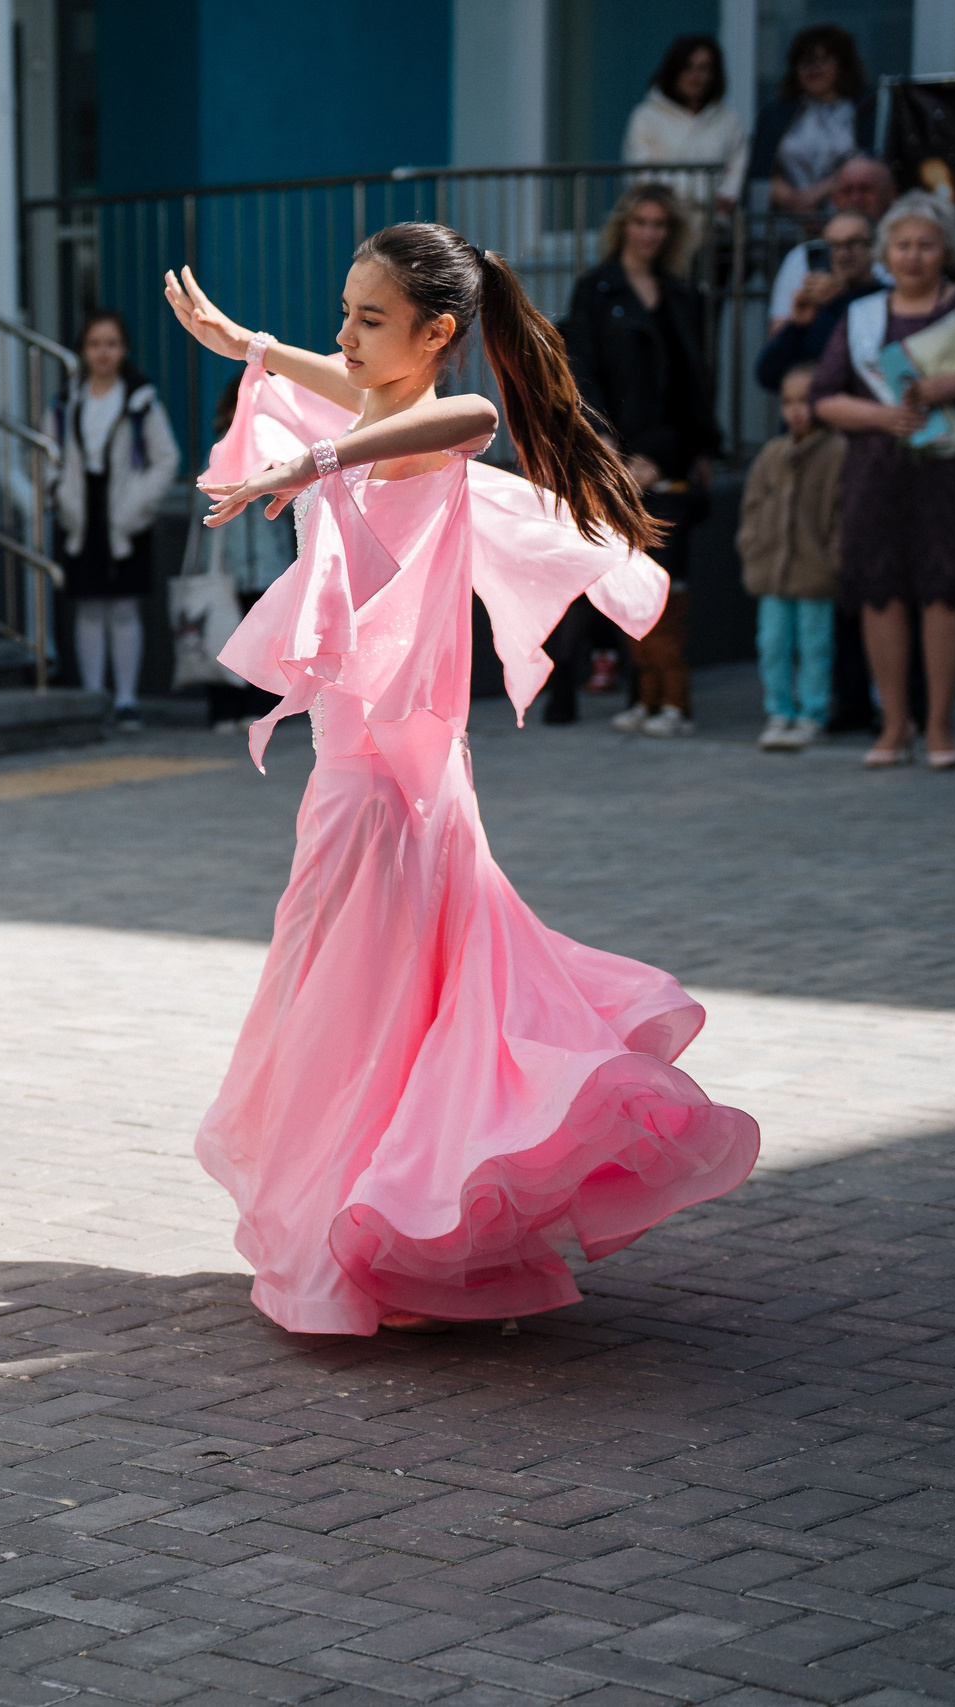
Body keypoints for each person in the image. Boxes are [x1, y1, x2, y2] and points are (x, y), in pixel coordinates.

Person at [163, 227, 757, 1338]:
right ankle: (379, 1213)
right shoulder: (372, 411)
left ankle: (363, 1224)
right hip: (376, 774)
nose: (344, 335)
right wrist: (249, 345)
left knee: (355, 998)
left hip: (392, 787)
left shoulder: (437, 429)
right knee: (357, 998)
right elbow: (347, 386)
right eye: (343, 312)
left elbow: (466, 419)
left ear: (437, 333)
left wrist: (310, 461)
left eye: (368, 319)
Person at [810, 192, 955, 771]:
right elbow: (823, 399)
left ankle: (940, 728)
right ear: (885, 254)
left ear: (946, 250)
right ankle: (894, 728)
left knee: (945, 592)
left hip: (954, 472)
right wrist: (879, 416)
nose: (914, 256)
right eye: (903, 245)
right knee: (881, 592)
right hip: (877, 471)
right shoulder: (862, 317)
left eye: (926, 244)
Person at [560, 182, 721, 737]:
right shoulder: (595, 288)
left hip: (669, 454)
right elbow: (579, 374)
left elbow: (696, 386)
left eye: (661, 224)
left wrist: (671, 453)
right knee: (623, 574)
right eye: (641, 222)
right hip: (612, 455)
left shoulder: (684, 295)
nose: (650, 233)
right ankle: (640, 694)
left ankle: (671, 700)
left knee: (669, 576)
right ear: (623, 225)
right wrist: (604, 447)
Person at [44, 310, 179, 729]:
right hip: (81, 513)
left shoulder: (140, 399)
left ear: (124, 350)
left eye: (112, 344)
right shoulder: (67, 400)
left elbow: (166, 458)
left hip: (124, 514)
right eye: (95, 344)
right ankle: (91, 697)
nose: (103, 352)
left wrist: (139, 504)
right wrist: (57, 493)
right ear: (83, 351)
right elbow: (46, 455)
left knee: (123, 608)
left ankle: (125, 700)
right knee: (87, 607)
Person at [737, 365, 845, 750]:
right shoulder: (772, 454)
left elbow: (841, 513)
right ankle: (779, 711)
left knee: (816, 645)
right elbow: (752, 508)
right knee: (772, 642)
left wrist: (834, 560)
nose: (796, 410)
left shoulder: (837, 452)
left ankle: (812, 714)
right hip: (772, 572)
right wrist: (752, 547)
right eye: (788, 402)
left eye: (805, 400)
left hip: (815, 573)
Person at [195, 386, 296, 729]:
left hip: (269, 564)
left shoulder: (279, 448)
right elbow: (202, 501)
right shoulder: (219, 451)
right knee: (224, 635)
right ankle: (224, 707)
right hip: (226, 565)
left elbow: (297, 502)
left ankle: (260, 706)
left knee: (265, 638)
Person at [747, 24, 874, 217]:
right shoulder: (776, 112)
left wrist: (814, 195)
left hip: (847, 216)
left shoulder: (865, 108)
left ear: (842, 63)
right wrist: (792, 199)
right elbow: (761, 170)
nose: (812, 69)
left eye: (821, 60)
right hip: (787, 222)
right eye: (804, 62)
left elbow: (869, 161)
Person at [766, 158, 895, 331]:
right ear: (834, 198)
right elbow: (777, 340)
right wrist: (799, 323)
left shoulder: (909, 252)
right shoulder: (806, 256)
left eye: (866, 189)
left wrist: (844, 296)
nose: (856, 198)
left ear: (891, 193)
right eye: (847, 191)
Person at [756, 209, 879, 390]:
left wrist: (842, 298)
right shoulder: (817, 304)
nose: (843, 254)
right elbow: (768, 376)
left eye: (853, 243)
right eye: (834, 245)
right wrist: (797, 326)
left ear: (874, 246)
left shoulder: (887, 298)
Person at [624, 34, 748, 208]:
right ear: (674, 71)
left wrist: (723, 201)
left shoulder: (729, 119)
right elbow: (642, 174)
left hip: (713, 226)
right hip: (663, 226)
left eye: (704, 68)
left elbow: (735, 172)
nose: (696, 76)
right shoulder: (646, 116)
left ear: (714, 74)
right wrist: (692, 199)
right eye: (687, 67)